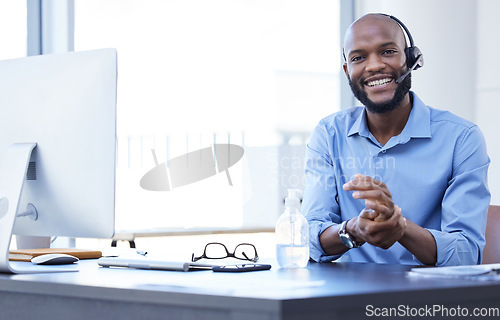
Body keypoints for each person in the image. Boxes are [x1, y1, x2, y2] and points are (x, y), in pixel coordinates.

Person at [301, 13, 490, 266]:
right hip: (345, 297)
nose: (374, 65)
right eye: (358, 57)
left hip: (428, 300)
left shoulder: (462, 138)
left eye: (388, 51)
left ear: (410, 59)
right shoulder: (328, 134)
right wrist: (353, 230)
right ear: (348, 71)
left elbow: (466, 253)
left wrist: (400, 227)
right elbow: (307, 240)